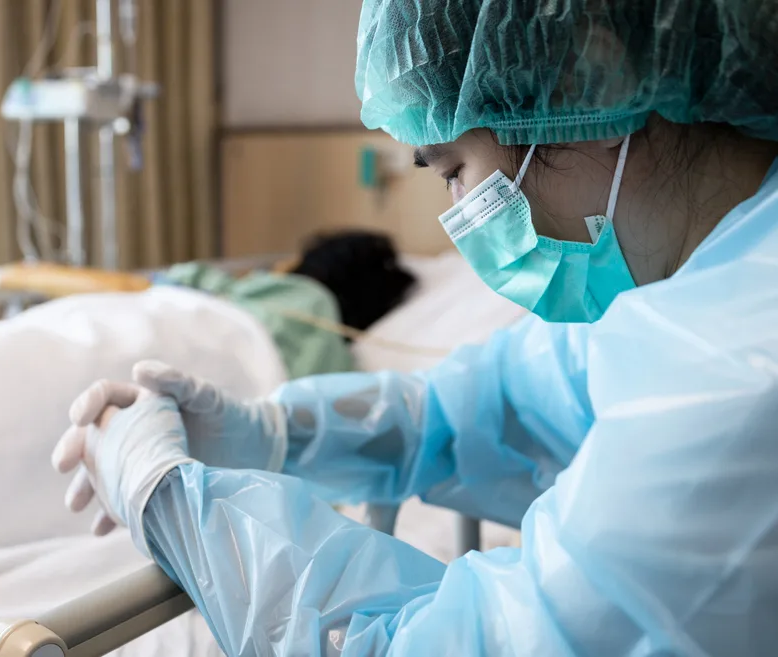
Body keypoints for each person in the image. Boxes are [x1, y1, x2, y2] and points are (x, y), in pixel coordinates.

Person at [51, 1, 778, 654]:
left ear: (585, 78)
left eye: (452, 168)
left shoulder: (733, 373)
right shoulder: (707, 279)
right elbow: (495, 401)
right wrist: (278, 433)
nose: (459, 209)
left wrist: (174, 501)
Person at [0, 229, 416, 380]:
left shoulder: (301, 295)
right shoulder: (340, 358)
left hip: (194, 340)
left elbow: (159, 285)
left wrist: (24, 273)